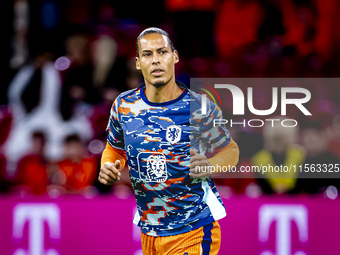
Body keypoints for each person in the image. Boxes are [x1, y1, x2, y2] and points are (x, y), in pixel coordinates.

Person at [98, 27, 239, 255]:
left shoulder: (199, 108)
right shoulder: (123, 105)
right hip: (150, 230)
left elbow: (230, 151)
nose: (155, 61)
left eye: (162, 52)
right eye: (147, 54)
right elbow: (114, 149)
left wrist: (210, 165)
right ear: (137, 63)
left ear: (174, 57)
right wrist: (108, 165)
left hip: (193, 226)